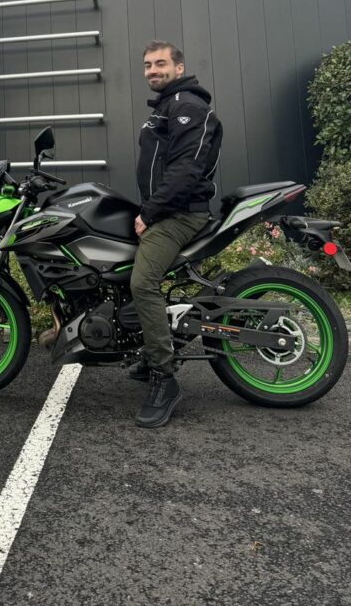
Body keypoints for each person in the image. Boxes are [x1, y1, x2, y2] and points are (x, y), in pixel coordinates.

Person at [130, 41, 222, 428]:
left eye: (160, 63)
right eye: (147, 65)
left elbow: (186, 169)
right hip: (166, 210)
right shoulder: (168, 106)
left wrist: (150, 212)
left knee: (142, 282)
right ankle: (151, 350)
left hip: (181, 214)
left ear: (179, 67)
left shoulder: (188, 105)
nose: (152, 70)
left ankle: (164, 378)